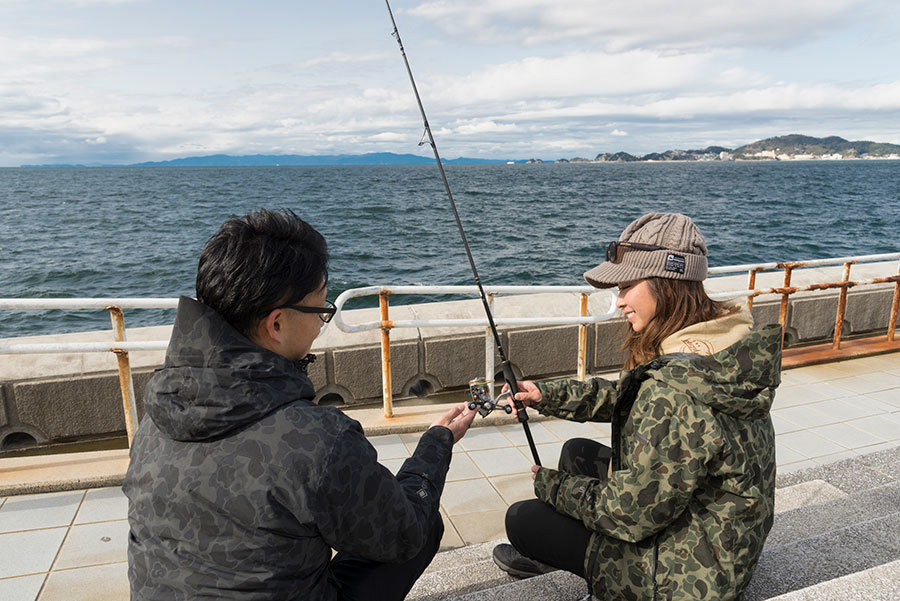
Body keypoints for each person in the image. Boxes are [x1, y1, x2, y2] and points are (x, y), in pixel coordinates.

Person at [123, 209, 476, 601]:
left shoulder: (158, 409)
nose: (321, 324)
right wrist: (436, 444)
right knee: (421, 526)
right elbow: (402, 533)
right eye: (321, 311)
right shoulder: (318, 439)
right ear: (276, 324)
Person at [492, 212, 781, 601]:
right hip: (730, 547)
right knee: (576, 452)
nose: (620, 301)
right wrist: (548, 396)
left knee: (524, 520)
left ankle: (596, 575)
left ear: (668, 283)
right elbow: (629, 398)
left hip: (691, 579)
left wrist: (551, 486)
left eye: (628, 286)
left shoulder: (675, 393)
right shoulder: (722, 341)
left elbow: (628, 513)